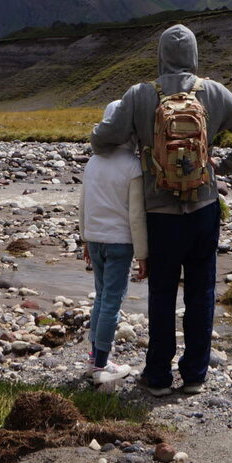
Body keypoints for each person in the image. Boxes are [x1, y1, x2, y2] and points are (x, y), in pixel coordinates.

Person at [92, 24, 232, 397]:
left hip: (159, 213)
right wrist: (225, 167)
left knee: (163, 292)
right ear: (195, 55)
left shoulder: (139, 95)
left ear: (159, 55)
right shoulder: (214, 92)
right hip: (203, 207)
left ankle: (157, 376)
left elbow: (103, 138)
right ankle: (195, 375)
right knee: (201, 291)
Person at [79, 100, 148, 384]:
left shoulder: (93, 162)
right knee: (112, 301)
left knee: (100, 298)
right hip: (120, 242)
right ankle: (101, 365)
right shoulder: (133, 167)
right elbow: (136, 216)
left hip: (95, 239)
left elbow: (83, 204)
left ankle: (95, 358)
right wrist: (143, 254)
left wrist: (84, 238)